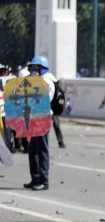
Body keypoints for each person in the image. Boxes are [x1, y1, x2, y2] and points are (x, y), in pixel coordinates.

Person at [23, 56, 56, 190]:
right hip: (35, 117)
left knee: (42, 149)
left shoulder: (47, 82)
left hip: (42, 117)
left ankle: (44, 180)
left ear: (41, 68)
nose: (32, 70)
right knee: (32, 149)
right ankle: (35, 178)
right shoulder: (38, 80)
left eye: (35, 68)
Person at [0, 63, 16, 152]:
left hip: (4, 110)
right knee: (8, 130)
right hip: (8, 109)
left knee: (7, 130)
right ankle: (9, 146)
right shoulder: (12, 79)